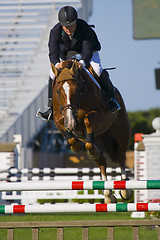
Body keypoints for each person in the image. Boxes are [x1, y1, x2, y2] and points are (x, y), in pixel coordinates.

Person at [37, 6, 120, 121]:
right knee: (52, 74)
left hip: (87, 51)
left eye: (71, 25)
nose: (68, 28)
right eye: (65, 26)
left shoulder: (84, 28)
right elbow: (52, 52)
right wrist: (57, 64)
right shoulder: (55, 31)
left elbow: (87, 50)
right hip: (66, 53)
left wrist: (82, 62)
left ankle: (111, 98)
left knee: (97, 70)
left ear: (76, 21)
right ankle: (51, 107)